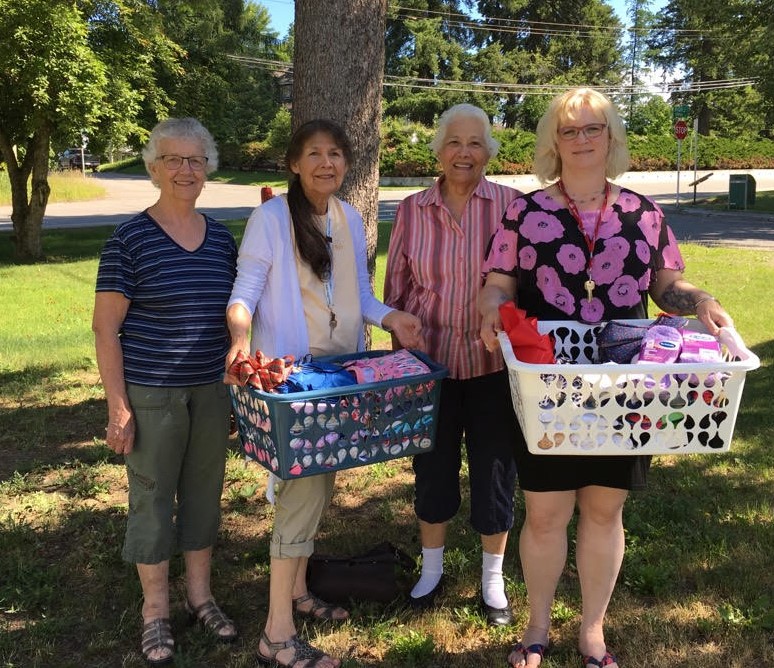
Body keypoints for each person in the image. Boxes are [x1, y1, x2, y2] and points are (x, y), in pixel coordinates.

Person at [479, 88, 734, 668]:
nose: (582, 139)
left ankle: (592, 631)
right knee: (545, 512)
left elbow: (666, 289)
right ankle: (537, 627)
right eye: (570, 131)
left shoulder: (643, 213)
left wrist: (700, 300)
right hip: (548, 381)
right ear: (553, 142)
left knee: (603, 510)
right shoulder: (525, 211)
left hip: (625, 383)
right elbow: (498, 281)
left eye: (593, 129)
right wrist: (491, 301)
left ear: (611, 138)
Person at [225, 119, 423, 668]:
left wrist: (393, 318)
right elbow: (244, 292)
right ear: (294, 163)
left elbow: (358, 295)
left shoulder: (348, 216)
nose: (326, 163)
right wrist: (239, 337)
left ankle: (296, 593)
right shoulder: (269, 218)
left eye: (336, 153)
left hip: (341, 374)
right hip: (293, 382)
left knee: (318, 484)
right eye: (314, 153)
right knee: (302, 494)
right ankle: (277, 635)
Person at [92, 118, 238, 666]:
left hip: (210, 392)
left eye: (195, 160)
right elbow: (106, 328)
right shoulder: (129, 238)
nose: (185, 170)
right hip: (152, 395)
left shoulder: (222, 237)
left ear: (208, 169)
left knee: (203, 496)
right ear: (154, 167)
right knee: (152, 502)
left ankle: (200, 595)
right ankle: (155, 611)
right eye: (174, 160)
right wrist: (118, 406)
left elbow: (235, 317)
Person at [383, 103, 523, 626]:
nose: (464, 153)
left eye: (475, 143)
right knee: (433, 469)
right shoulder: (412, 210)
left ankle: (493, 579)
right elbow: (396, 289)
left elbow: (526, 285)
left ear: (489, 151)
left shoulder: (513, 206)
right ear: (439, 150)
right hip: (431, 367)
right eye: (454, 142)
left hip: (494, 367)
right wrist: (399, 338)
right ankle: (432, 569)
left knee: (494, 473)